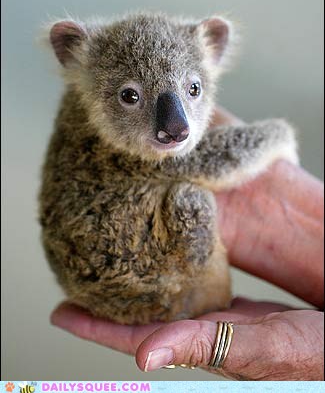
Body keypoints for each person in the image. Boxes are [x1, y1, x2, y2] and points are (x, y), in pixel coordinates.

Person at [50, 107, 324, 381]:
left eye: (193, 89)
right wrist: (278, 135)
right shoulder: (125, 139)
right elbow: (215, 159)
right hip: (157, 281)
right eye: (130, 97)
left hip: (110, 279)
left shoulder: (77, 123)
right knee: (190, 199)